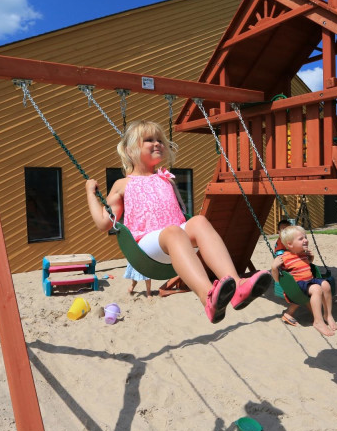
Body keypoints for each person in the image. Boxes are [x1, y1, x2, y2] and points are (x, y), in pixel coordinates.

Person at [86, 120, 273, 324]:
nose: (157, 143)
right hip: (146, 247)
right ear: (131, 150)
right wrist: (90, 193)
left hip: (178, 242)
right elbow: (103, 223)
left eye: (160, 140)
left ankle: (238, 286)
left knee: (200, 221)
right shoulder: (122, 184)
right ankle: (207, 296)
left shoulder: (165, 178)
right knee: (173, 231)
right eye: (149, 140)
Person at [271, 225, 337, 336]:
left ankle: (328, 315)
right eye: (301, 239)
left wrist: (310, 259)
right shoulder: (284, 258)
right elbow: (278, 279)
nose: (305, 240)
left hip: (310, 281)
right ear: (290, 244)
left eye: (305, 237)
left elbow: (305, 266)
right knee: (316, 289)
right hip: (297, 286)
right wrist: (274, 268)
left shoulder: (304, 253)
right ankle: (318, 321)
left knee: (326, 284)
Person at [273, 218, 300, 326]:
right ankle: (289, 313)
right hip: (285, 271)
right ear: (278, 232)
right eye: (283, 230)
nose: (286, 232)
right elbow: (282, 259)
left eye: (288, 229)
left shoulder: (290, 241)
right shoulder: (280, 245)